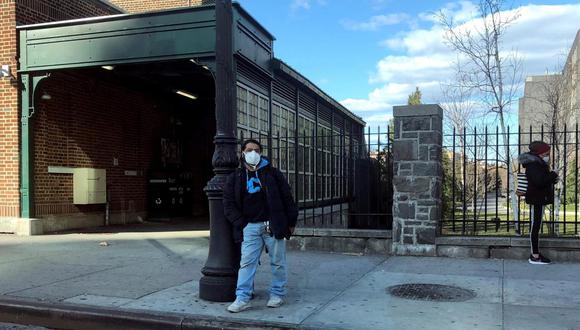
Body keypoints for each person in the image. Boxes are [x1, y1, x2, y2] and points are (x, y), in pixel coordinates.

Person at [223, 139, 298, 312]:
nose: (253, 153)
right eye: (249, 150)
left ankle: (277, 294)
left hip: (272, 225)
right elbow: (228, 203)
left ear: (261, 152)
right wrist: (241, 223)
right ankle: (242, 297)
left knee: (278, 262)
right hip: (249, 227)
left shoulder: (273, 174)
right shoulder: (236, 177)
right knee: (247, 263)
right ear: (242, 152)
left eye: (257, 150)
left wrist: (291, 221)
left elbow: (287, 197)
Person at [518, 141, 558, 265]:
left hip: (538, 198)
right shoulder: (534, 165)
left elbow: (542, 180)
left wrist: (552, 179)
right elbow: (539, 181)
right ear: (540, 153)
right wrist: (553, 174)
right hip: (536, 199)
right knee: (535, 227)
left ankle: (535, 254)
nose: (548, 155)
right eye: (546, 153)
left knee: (536, 225)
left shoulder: (538, 163)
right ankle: (534, 256)